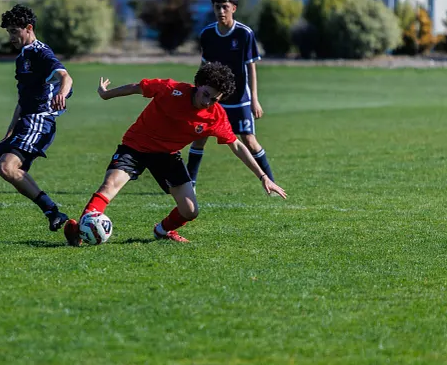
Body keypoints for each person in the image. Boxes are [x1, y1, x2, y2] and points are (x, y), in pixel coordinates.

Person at [63, 62, 286, 245]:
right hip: (136, 146)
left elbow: (236, 145)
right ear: (199, 84)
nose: (207, 102)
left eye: (214, 99)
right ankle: (80, 230)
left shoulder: (215, 116)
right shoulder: (171, 89)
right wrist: (106, 95)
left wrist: (263, 176)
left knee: (190, 211)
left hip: (167, 155)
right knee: (109, 185)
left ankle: (163, 230)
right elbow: (138, 87)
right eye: (206, 94)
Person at [0, 4, 72, 243]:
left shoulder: (40, 52)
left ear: (29, 28)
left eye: (14, 31)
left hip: (39, 120)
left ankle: (53, 212)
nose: (10, 37)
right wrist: (9, 133)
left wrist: (62, 93)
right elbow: (22, 101)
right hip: (24, 121)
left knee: (6, 168)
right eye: (8, 32)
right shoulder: (22, 57)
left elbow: (65, 76)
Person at [186, 0, 275, 187]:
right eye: (217, 7)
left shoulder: (244, 33)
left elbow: (251, 67)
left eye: (225, 7)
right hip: (212, 99)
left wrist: (254, 100)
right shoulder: (207, 34)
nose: (221, 11)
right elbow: (204, 66)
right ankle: (189, 183)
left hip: (239, 99)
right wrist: (197, 91)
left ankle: (270, 181)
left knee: (249, 140)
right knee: (200, 137)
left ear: (234, 8)